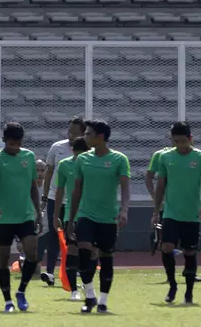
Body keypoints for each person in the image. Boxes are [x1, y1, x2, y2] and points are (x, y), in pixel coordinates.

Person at [67, 119, 130, 314]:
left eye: (87, 134)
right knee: (84, 251)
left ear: (99, 137)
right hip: (86, 215)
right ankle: (90, 296)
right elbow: (77, 190)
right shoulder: (83, 159)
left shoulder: (119, 159)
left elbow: (126, 187)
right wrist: (71, 218)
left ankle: (103, 300)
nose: (84, 137)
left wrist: (124, 210)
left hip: (108, 217)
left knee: (106, 256)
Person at [0, 122, 42, 313]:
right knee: (3, 259)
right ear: (4, 140)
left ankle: (21, 291)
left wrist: (38, 212)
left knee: (32, 252)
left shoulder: (29, 156)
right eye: (10, 142)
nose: (14, 145)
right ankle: (8, 300)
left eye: (17, 142)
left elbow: (33, 187)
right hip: (4, 218)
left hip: (25, 215)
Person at [152, 122, 201, 304]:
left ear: (190, 139)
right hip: (171, 213)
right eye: (176, 141)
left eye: (183, 141)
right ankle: (172, 286)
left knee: (190, 252)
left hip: (192, 214)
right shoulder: (165, 157)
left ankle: (189, 293)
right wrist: (156, 211)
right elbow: (160, 185)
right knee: (166, 247)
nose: (180, 145)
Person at [40, 117, 86, 286]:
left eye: (76, 132)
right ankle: (50, 272)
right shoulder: (57, 147)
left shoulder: (87, 152)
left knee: (75, 235)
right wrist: (45, 197)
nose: (71, 135)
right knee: (54, 234)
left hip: (78, 200)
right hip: (55, 197)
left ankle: (77, 270)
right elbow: (49, 172)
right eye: (69, 132)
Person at [52, 136, 89, 301]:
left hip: (91, 215)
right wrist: (55, 215)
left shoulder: (92, 165)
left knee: (89, 252)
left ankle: (88, 286)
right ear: (72, 151)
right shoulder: (65, 165)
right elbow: (59, 190)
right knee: (72, 251)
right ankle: (74, 290)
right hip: (71, 215)